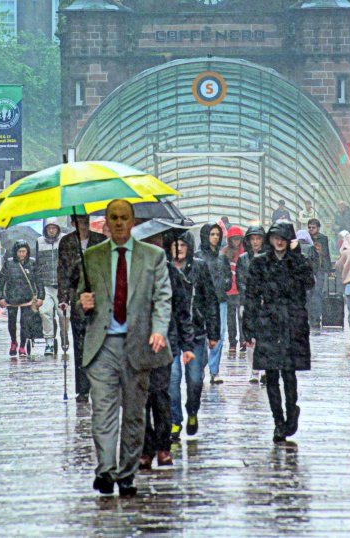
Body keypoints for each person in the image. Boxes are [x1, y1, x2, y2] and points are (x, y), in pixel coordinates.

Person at [78, 199, 172, 496]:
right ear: (106, 222)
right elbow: (82, 300)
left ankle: (127, 473)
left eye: (124, 218)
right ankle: (106, 470)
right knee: (103, 411)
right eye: (113, 218)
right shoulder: (91, 257)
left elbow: (162, 299)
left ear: (133, 222)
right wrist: (84, 303)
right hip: (102, 346)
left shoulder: (153, 257)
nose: (119, 223)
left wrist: (159, 331)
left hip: (138, 345)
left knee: (134, 413)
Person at [243, 220, 314, 443]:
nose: (279, 242)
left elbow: (309, 282)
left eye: (283, 238)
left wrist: (297, 256)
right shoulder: (260, 263)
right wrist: (249, 327)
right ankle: (278, 421)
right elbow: (252, 296)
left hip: (293, 321)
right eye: (275, 237)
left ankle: (291, 412)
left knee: (289, 372)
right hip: (269, 321)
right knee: (271, 374)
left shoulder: (297, 261)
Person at [133, 220, 194, 470]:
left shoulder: (172, 274)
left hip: (164, 343)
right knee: (141, 398)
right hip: (136, 344)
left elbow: (182, 312)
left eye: (159, 241)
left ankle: (163, 446)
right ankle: (145, 449)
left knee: (160, 394)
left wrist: (187, 344)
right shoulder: (132, 271)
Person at [169, 230, 220, 440]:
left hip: (195, 332)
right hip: (170, 333)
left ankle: (192, 410)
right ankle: (174, 421)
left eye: (182, 244)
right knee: (172, 379)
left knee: (195, 379)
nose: (178, 248)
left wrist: (213, 332)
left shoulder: (199, 267)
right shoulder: (164, 268)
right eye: (175, 244)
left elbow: (210, 300)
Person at [57, 214, 107, 402]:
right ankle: (83, 389)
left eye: (86, 222)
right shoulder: (66, 242)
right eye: (79, 222)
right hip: (77, 298)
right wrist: (63, 297)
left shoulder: (100, 240)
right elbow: (62, 271)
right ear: (73, 223)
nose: (84, 225)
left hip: (99, 298)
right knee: (80, 345)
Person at [196, 222, 231, 384]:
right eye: (212, 234)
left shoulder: (222, 257)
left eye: (217, 234)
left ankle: (214, 370)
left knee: (219, 335)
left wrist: (223, 284)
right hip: (201, 302)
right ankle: (201, 366)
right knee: (201, 336)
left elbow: (229, 279)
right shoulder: (197, 257)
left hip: (220, 300)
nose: (215, 237)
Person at [0, 240, 44, 357]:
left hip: (27, 299)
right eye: (19, 251)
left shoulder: (32, 263)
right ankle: (13, 341)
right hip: (12, 299)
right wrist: (0, 298)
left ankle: (22, 346)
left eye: (24, 251)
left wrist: (41, 297)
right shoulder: (9, 264)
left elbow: (39, 281)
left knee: (25, 324)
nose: (22, 254)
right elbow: (0, 281)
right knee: (12, 323)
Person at [236, 226, 267, 382]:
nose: (255, 242)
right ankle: (254, 370)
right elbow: (240, 281)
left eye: (258, 238)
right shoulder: (243, 259)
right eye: (252, 239)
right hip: (248, 303)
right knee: (250, 338)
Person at [36, 218, 65, 356]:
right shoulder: (39, 242)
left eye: (54, 228)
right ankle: (49, 342)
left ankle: (64, 337)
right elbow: (36, 263)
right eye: (49, 228)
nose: (52, 230)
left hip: (62, 285)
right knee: (45, 312)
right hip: (45, 284)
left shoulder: (64, 240)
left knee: (64, 314)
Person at [222, 226, 245, 354]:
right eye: (233, 239)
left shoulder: (245, 252)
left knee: (242, 317)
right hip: (229, 291)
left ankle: (243, 340)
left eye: (238, 239)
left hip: (241, 291)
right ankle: (232, 341)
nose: (236, 242)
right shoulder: (224, 252)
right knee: (231, 319)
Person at [306, 218, 332, 328]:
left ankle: (316, 319)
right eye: (310, 227)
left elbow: (326, 254)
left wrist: (329, 269)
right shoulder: (306, 238)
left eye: (313, 227)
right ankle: (310, 317)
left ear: (318, 228)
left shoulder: (323, 238)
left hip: (320, 269)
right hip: (309, 270)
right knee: (309, 294)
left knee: (317, 294)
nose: (311, 229)